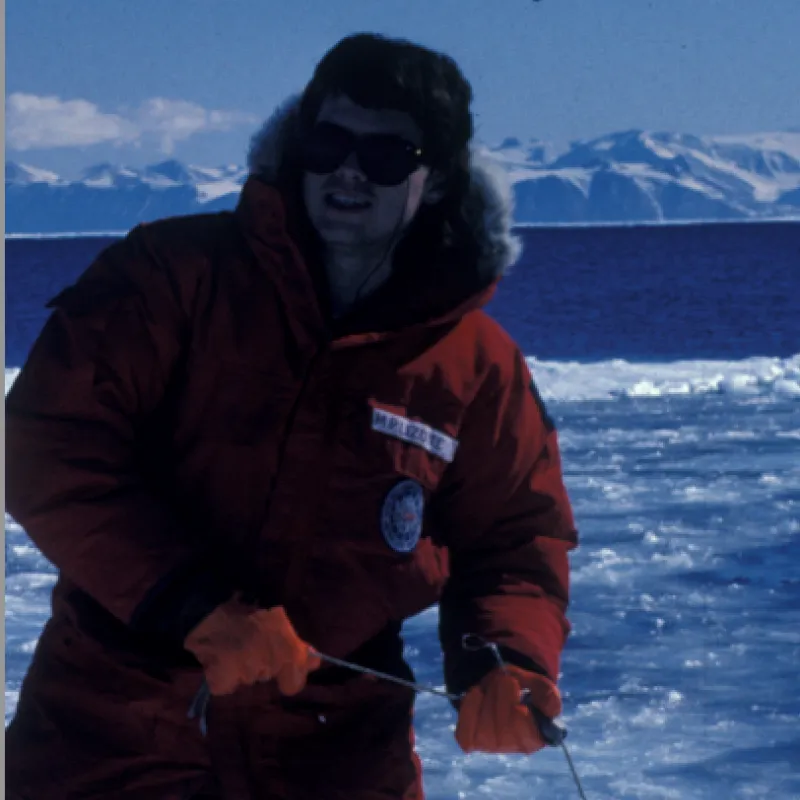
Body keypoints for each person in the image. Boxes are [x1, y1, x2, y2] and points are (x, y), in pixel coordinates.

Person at [5, 32, 579, 800]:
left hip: (334, 754)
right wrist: (192, 605)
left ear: (436, 178)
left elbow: (515, 535)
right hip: (110, 734)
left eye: (385, 156)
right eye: (329, 141)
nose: (348, 170)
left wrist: (504, 662)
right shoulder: (170, 278)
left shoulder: (477, 366)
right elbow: (45, 446)